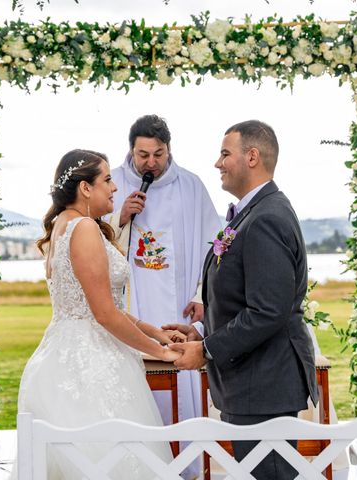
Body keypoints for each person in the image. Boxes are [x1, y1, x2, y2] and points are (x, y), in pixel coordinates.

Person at [15, 149, 184, 479]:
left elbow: (100, 306)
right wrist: (162, 352)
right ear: (85, 188)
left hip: (58, 357)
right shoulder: (84, 229)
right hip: (91, 366)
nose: (115, 187)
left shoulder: (61, 227)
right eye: (107, 179)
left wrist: (155, 331)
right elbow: (105, 315)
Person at [165, 120, 319, 479]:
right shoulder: (251, 213)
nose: (217, 163)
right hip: (251, 384)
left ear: (252, 157)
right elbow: (240, 297)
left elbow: (268, 311)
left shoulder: (267, 218)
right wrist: (201, 330)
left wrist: (205, 351)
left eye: (224, 154)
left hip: (263, 386)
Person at [108, 115, 221, 440]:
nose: (151, 162)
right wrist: (121, 217)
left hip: (179, 307)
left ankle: (188, 460)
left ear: (168, 150)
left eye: (158, 154)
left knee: (183, 390)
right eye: (143, 155)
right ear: (131, 151)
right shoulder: (112, 183)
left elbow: (214, 246)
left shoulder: (190, 185)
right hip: (133, 306)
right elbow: (92, 241)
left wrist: (202, 296)